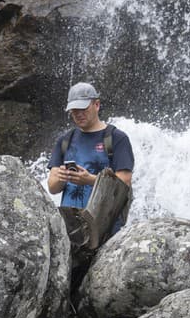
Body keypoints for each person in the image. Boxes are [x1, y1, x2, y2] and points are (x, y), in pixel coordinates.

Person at [47, 82, 134, 235]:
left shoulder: (117, 138)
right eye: (74, 110)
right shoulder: (64, 140)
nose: (79, 114)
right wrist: (62, 177)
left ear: (97, 105)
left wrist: (89, 179)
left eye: (83, 108)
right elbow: (52, 188)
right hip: (70, 228)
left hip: (107, 229)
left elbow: (124, 182)